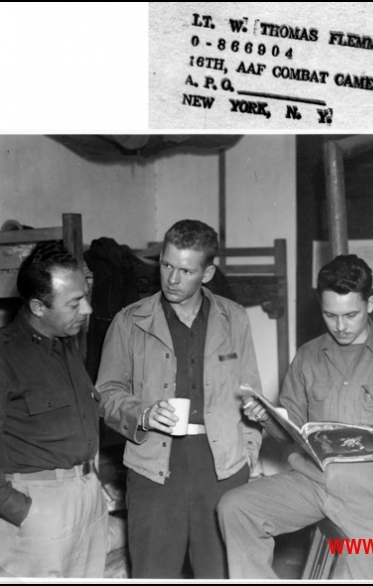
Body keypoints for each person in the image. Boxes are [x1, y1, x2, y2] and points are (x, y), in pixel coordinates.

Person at [218, 254, 373, 580]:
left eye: (351, 315)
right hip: (312, 480)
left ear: (371, 302)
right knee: (235, 507)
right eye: (330, 315)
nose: (340, 326)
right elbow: (287, 429)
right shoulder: (308, 356)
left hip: (369, 493)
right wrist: (265, 417)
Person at [96, 219, 262, 579]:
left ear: (207, 273)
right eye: (166, 265)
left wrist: (247, 455)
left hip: (222, 469)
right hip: (154, 469)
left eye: (185, 270)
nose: (171, 279)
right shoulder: (129, 321)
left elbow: (251, 395)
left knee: (218, 573)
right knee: (153, 573)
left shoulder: (234, 319)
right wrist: (142, 413)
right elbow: (106, 394)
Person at [0, 242, 108, 578]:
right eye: (74, 303)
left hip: (86, 497)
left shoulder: (64, 344)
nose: (87, 309)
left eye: (84, 296)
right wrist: (20, 510)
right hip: (38, 508)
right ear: (38, 307)